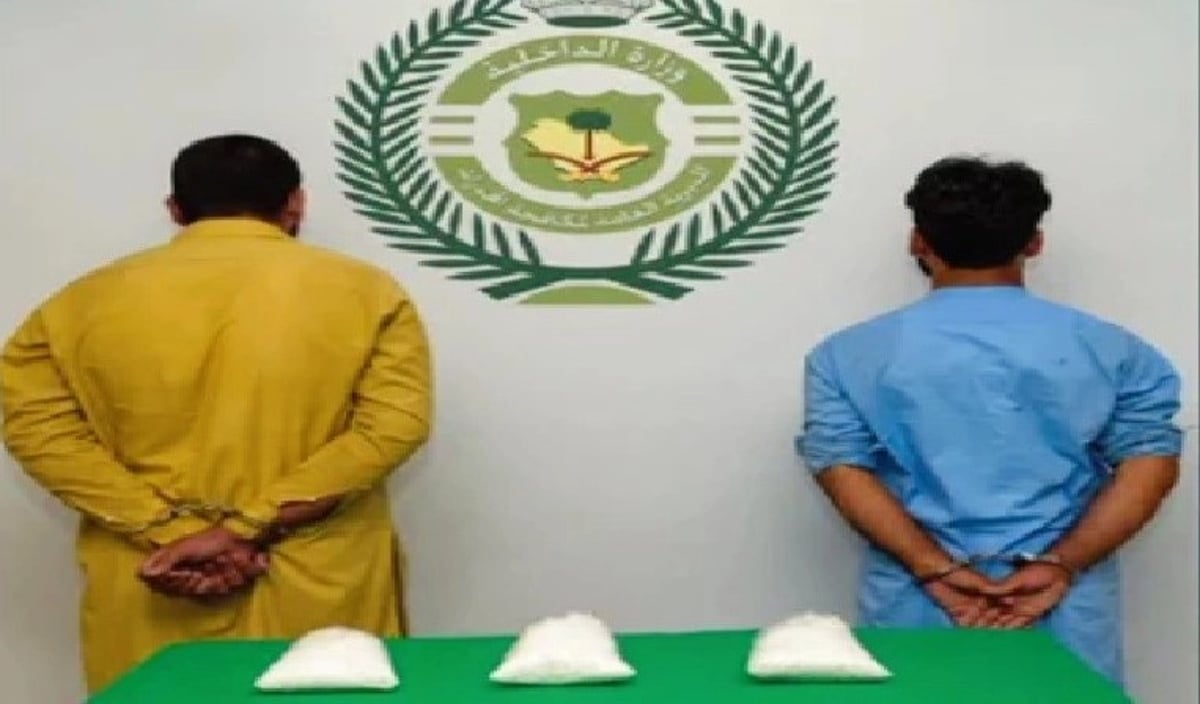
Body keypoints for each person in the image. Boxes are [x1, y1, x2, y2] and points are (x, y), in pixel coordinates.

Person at [1, 134, 432, 693]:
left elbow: (38, 431)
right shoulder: (367, 293)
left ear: (176, 210)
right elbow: (391, 428)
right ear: (296, 203)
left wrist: (167, 529)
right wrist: (246, 526)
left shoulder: (78, 303)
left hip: (159, 579)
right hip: (315, 584)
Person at [797, 156, 1182, 684]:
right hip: (1060, 606)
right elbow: (1150, 466)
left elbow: (842, 469)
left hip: (918, 602)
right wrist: (1060, 565)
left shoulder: (844, 356)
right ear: (1035, 244)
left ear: (918, 242)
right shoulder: (1117, 351)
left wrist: (934, 567)